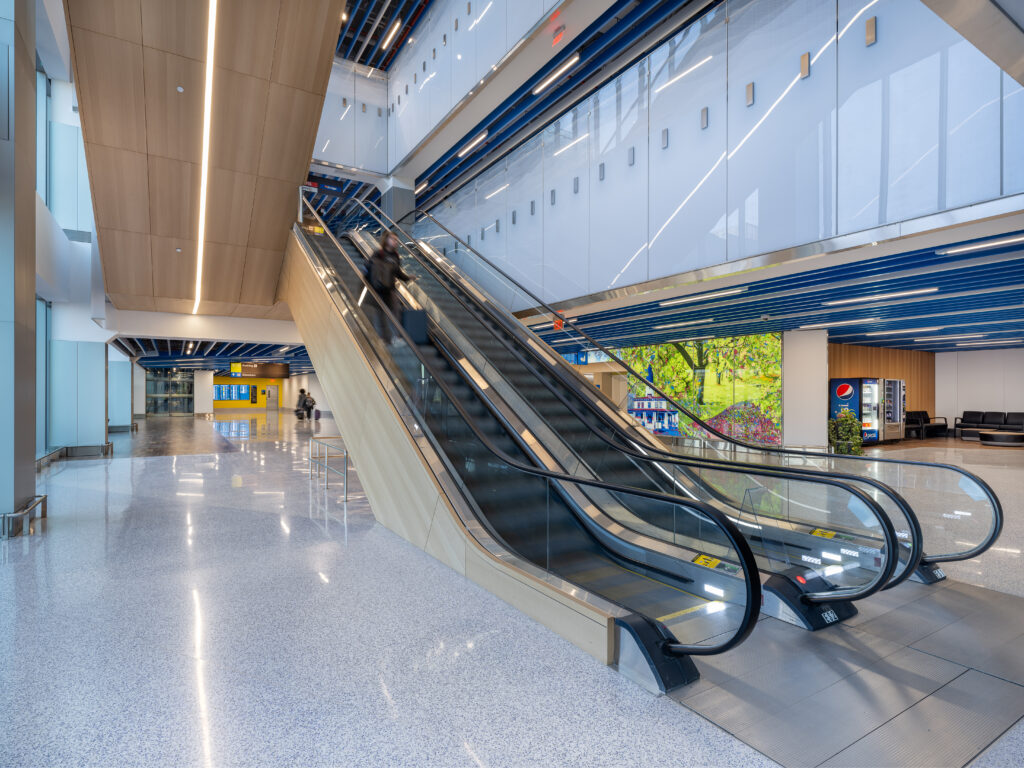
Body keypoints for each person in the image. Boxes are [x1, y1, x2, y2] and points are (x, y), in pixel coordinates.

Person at [368, 231, 411, 344]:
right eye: (392, 239)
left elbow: (397, 272)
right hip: (379, 289)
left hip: (391, 289)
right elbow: (368, 267)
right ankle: (381, 339)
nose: (395, 241)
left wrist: (407, 278)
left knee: (396, 313)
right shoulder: (379, 253)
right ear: (386, 240)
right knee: (380, 314)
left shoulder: (396, 256)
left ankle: (396, 337)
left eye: (396, 240)